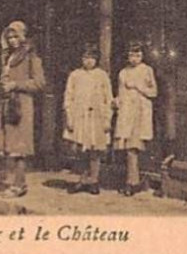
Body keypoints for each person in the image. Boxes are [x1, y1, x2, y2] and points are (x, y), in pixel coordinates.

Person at [0, 20, 45, 198]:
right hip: (8, 103)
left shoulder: (31, 56)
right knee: (9, 145)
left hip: (22, 105)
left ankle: (20, 184)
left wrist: (16, 85)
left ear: (23, 36)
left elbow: (39, 83)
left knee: (19, 147)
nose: (12, 40)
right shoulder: (8, 56)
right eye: (9, 37)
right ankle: (12, 182)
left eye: (16, 36)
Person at [64, 43, 113, 194]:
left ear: (96, 60)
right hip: (80, 116)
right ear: (81, 59)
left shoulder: (102, 75)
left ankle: (94, 180)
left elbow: (108, 98)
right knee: (81, 150)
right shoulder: (75, 75)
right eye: (86, 58)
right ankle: (82, 179)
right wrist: (69, 117)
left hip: (96, 116)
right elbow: (68, 97)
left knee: (95, 150)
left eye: (92, 58)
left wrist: (107, 118)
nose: (89, 61)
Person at [113, 40, 158, 195]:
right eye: (132, 55)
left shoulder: (147, 70)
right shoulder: (123, 72)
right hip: (126, 111)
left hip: (140, 112)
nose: (134, 59)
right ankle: (133, 181)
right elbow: (120, 92)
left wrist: (139, 87)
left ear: (142, 56)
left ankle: (132, 182)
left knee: (134, 148)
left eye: (137, 55)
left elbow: (154, 92)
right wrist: (117, 101)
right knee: (128, 148)